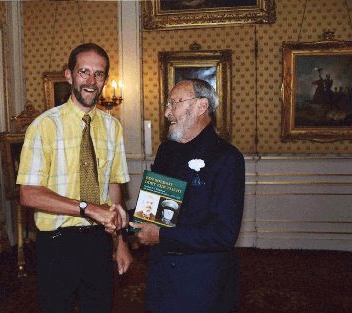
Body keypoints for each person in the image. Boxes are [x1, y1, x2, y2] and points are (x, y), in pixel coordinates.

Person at [17, 43, 132, 313]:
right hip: (57, 243)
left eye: (99, 74)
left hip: (99, 242)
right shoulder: (43, 126)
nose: (92, 81)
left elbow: (113, 186)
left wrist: (121, 242)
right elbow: (28, 194)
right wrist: (87, 208)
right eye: (84, 72)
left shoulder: (112, 127)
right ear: (68, 75)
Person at [132, 79, 245, 313]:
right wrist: (136, 222)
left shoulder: (227, 157)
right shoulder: (167, 150)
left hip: (202, 283)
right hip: (162, 275)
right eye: (167, 104)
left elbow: (223, 234)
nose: (166, 112)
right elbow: (157, 208)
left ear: (201, 106)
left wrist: (161, 236)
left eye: (174, 103)